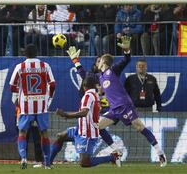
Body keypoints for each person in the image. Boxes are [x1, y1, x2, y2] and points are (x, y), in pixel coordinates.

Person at [66, 36, 167, 167]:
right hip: (114, 109)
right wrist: (75, 60)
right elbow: (84, 75)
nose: (97, 62)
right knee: (97, 126)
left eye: (99, 60)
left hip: (124, 105)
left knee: (139, 127)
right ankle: (116, 151)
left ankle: (160, 153)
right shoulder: (99, 77)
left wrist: (127, 51)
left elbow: (126, 60)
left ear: (104, 62)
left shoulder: (112, 70)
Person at [49, 77, 121, 167]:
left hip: (87, 132)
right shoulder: (95, 95)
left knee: (84, 162)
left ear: (83, 86)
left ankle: (112, 157)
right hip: (80, 129)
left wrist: (66, 115)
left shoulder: (88, 96)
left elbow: (84, 112)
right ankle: (48, 162)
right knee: (60, 136)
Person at [9, 44, 56, 169]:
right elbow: (52, 84)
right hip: (41, 105)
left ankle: (23, 157)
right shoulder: (45, 66)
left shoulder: (20, 67)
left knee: (22, 132)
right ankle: (47, 162)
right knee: (44, 133)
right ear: (37, 53)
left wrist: (21, 91)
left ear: (25, 54)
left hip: (26, 106)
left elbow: (12, 87)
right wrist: (48, 98)